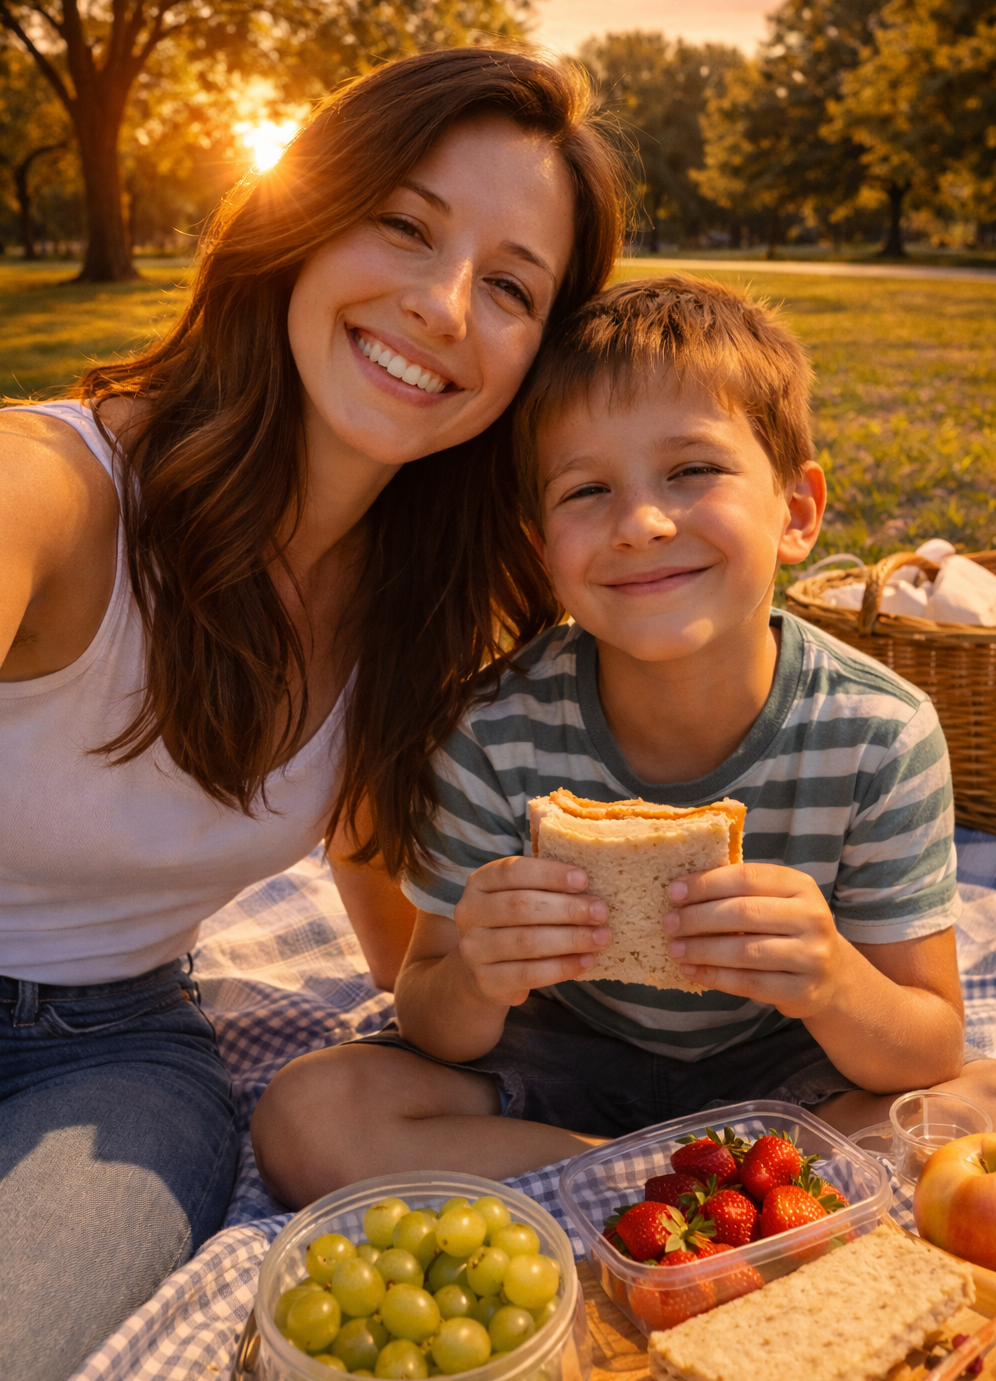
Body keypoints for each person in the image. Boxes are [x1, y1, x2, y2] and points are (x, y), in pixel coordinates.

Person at [0, 45, 625, 1381]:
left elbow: (410, 960)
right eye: (405, 224)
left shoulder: (421, 620)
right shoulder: (37, 491)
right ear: (301, 219)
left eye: (509, 286)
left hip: (116, 1063)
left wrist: (527, 1004)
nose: (444, 307)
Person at [253, 274, 996, 1204]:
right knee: (307, 1114)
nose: (642, 524)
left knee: (981, 1105)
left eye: (693, 470)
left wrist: (833, 980)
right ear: (541, 551)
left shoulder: (879, 733)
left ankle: (631, 1184)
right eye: (588, 489)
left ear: (797, 513)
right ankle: (684, 1185)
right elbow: (432, 1016)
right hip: (562, 1065)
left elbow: (925, 1037)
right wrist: (478, 975)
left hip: (796, 1072)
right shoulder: (492, 730)